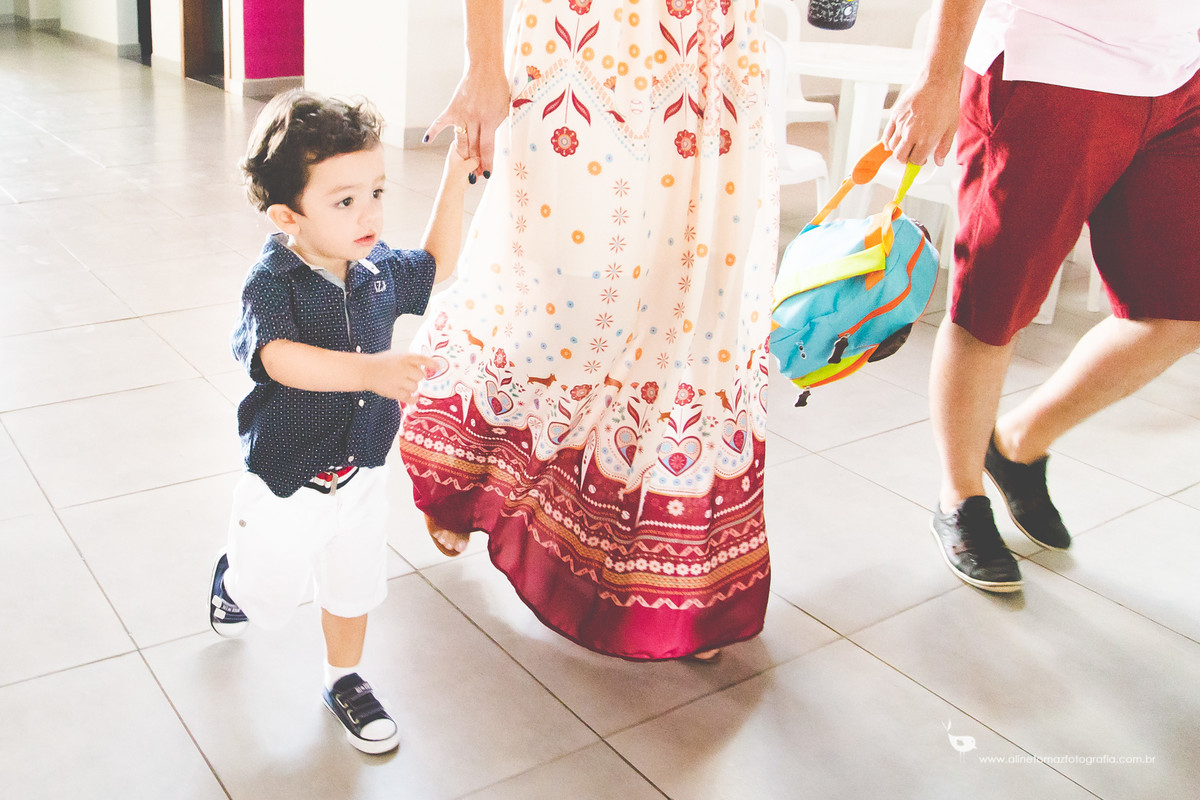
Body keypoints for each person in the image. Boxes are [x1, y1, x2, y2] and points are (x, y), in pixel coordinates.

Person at [398, 0, 777, 660]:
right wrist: (483, 64)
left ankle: (668, 574)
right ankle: (467, 472)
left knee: (690, 299)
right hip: (586, 45)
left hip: (716, 57)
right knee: (559, 291)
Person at [883, 0, 1200, 592]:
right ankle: (960, 497)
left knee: (1182, 308)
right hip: (1050, 62)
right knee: (992, 306)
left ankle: (1016, 444)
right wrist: (938, 75)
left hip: (1180, 73)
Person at [209, 89, 477, 753]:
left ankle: (344, 678)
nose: (371, 213)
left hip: (359, 472)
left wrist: (456, 171)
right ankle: (234, 578)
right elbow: (277, 358)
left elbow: (437, 265)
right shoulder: (272, 281)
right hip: (285, 481)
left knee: (354, 585)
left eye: (376, 191)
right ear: (288, 216)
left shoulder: (378, 269)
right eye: (345, 200)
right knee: (267, 598)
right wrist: (369, 373)